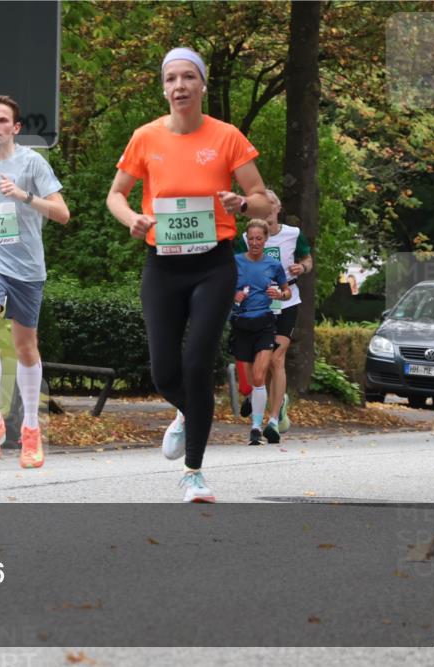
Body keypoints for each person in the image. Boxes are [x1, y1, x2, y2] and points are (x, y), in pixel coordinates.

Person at [106, 47, 269, 502]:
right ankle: (187, 412)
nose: (179, 86)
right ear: (163, 87)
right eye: (171, 79)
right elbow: (116, 195)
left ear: (201, 84)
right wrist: (130, 220)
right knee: (163, 372)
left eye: (188, 78)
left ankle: (193, 472)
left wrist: (242, 204)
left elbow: (261, 196)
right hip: (163, 265)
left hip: (213, 264)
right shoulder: (145, 138)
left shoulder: (227, 137)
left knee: (197, 363)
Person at [0, 95, 70, 469]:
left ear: (15, 127)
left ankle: (30, 429)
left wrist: (24, 195)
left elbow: (62, 213)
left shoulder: (31, 162)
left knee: (26, 347)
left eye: (2, 120)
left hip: (26, 267)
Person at [234, 189, 313, 439]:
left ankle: (274, 419)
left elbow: (308, 259)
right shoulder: (248, 237)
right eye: (261, 208)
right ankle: (262, 397)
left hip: (286, 301)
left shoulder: (293, 234)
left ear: (278, 209)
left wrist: (302, 266)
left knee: (277, 359)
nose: (266, 212)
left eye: (270, 208)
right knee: (259, 363)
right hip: (255, 305)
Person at [232, 220, 291, 445]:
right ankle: (254, 405)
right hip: (241, 324)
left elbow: (286, 292)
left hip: (265, 324)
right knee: (247, 384)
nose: (255, 243)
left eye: (259, 238)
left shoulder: (273, 265)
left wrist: (279, 294)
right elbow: (223, 288)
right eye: (251, 239)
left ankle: (256, 428)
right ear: (247, 239)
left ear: (266, 240)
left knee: (259, 377)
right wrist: (234, 296)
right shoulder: (235, 261)